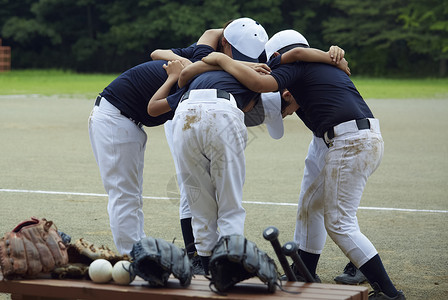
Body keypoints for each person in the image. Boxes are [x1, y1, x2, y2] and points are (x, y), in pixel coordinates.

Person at [200, 30, 406, 299]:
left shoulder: (294, 64)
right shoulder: (322, 66)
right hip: (353, 138)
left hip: (349, 142)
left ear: (276, 55)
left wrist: (221, 60)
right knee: (311, 205)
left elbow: (265, 80)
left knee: (340, 224)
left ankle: (390, 293)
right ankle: (305, 269)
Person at [147, 17, 274, 274]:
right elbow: (248, 107)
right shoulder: (260, 67)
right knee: (229, 202)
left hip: (185, 114)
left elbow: (187, 71)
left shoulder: (207, 55)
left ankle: (207, 270)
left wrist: (221, 48)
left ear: (224, 41)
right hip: (223, 112)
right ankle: (229, 267)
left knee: (200, 205)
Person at [88, 28, 229, 257]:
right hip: (115, 118)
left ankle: (138, 251)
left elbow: (212, 33)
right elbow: (154, 109)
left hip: (125, 121)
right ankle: (133, 257)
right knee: (125, 195)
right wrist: (175, 76)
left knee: (131, 196)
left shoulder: (200, 57)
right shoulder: (198, 76)